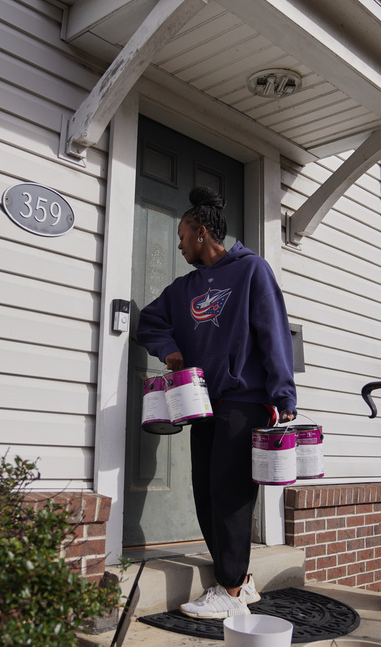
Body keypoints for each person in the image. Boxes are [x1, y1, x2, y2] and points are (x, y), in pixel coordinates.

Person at [137, 185, 297, 620]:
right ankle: (240, 581)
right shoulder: (184, 288)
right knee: (205, 492)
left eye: (183, 234)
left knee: (230, 493)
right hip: (203, 403)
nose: (179, 243)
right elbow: (149, 319)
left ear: (202, 233)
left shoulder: (251, 271)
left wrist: (282, 393)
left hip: (244, 399)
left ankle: (228, 587)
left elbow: (273, 332)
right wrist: (168, 349)